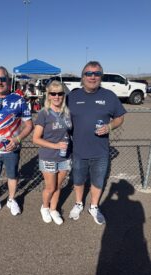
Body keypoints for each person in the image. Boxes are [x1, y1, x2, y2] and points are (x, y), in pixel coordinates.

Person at [67, 61, 127, 225]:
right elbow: (57, 110)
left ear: (101, 76)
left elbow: (120, 117)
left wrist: (110, 126)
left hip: (100, 152)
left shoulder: (109, 96)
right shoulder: (72, 96)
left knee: (98, 181)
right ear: (82, 76)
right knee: (78, 180)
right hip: (78, 150)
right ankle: (78, 203)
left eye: (97, 74)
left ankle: (94, 206)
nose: (92, 77)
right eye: (88, 73)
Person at [0, 66, 33, 219]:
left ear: (8, 80)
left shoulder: (19, 100)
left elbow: (29, 125)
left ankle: (11, 200)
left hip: (12, 149)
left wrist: (17, 139)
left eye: (2, 79)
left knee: (12, 176)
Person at [33, 80, 72, 225]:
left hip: (64, 156)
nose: (57, 96)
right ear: (48, 95)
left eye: (60, 93)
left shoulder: (67, 113)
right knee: (50, 187)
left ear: (64, 95)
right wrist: (55, 145)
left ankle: (54, 209)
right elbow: (35, 139)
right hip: (49, 156)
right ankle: (45, 207)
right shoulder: (44, 114)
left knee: (58, 186)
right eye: (53, 93)